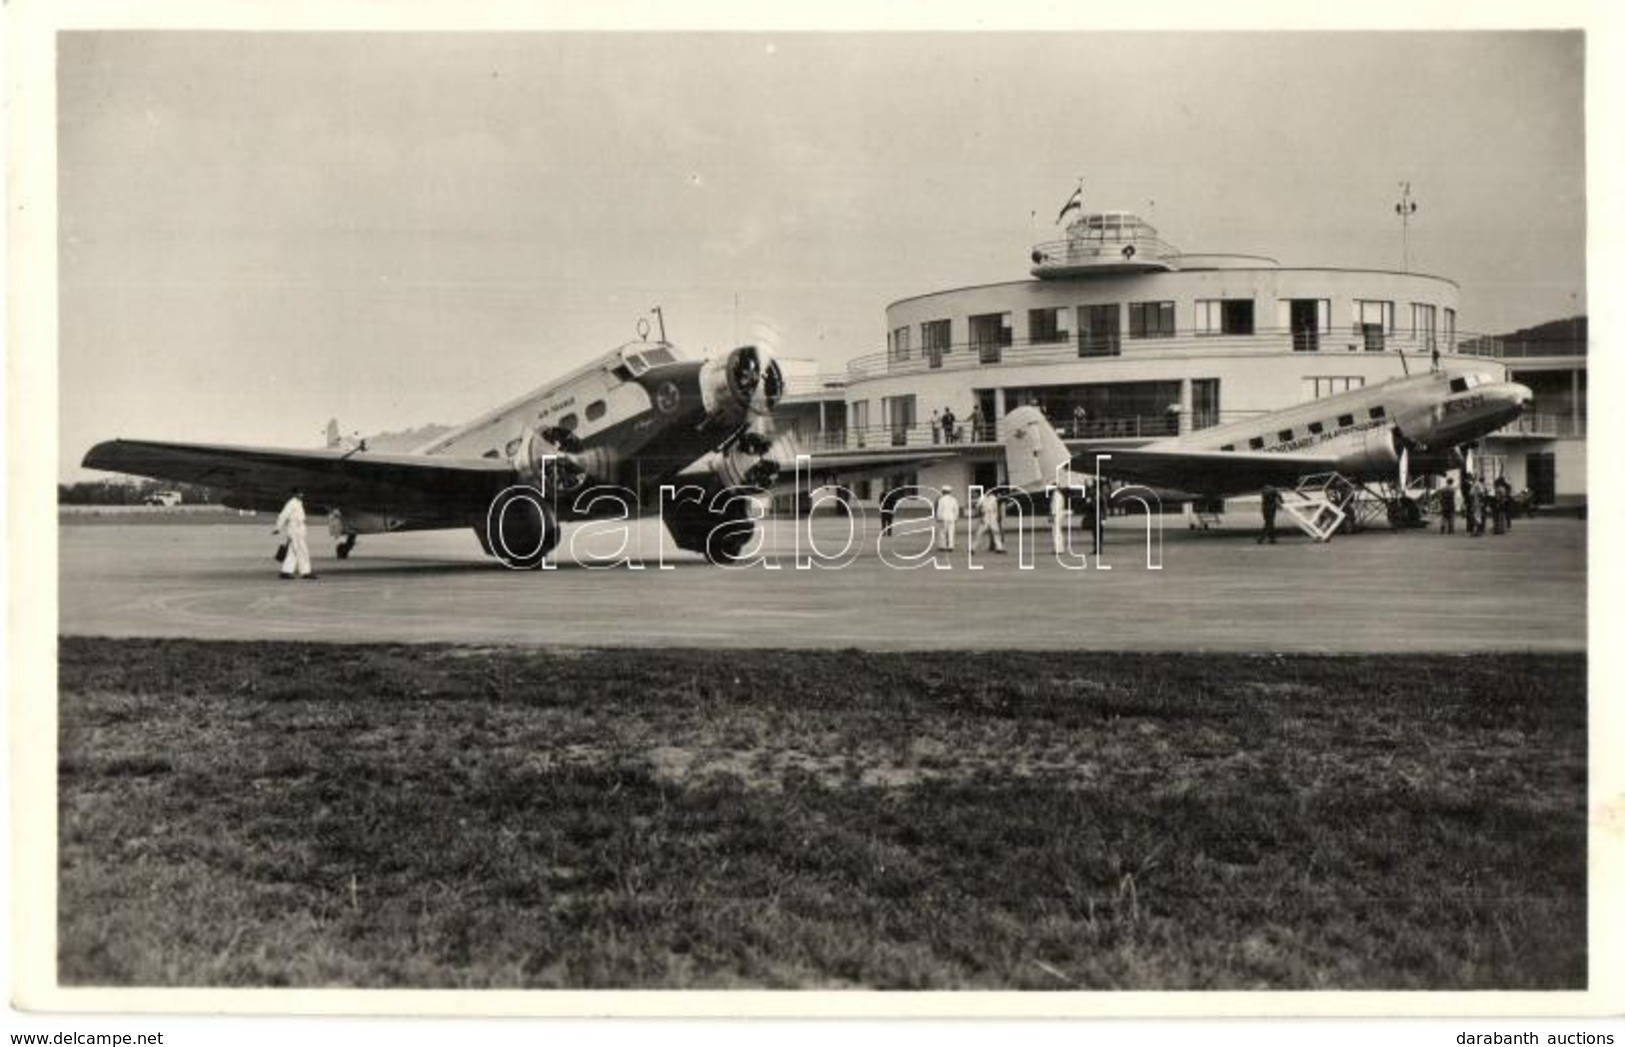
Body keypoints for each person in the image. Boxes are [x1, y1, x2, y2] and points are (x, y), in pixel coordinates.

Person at [274, 487, 317, 580]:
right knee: (302, 551)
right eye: (299, 493)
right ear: (294, 494)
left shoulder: (299, 503)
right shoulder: (291, 503)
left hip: (299, 528)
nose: (301, 494)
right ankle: (306, 572)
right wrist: (278, 528)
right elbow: (283, 515)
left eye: (302, 493)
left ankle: (286, 571)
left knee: (293, 552)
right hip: (295, 529)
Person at [973, 488, 1007, 553]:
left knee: (996, 532)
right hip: (985, 515)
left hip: (992, 516)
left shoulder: (993, 498)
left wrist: (996, 517)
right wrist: (980, 515)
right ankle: (972, 548)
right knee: (979, 533)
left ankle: (999, 548)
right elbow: (977, 507)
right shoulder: (982, 498)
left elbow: (995, 508)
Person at [934, 485, 961, 551]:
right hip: (951, 518)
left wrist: (938, 517)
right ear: (950, 492)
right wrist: (956, 517)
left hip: (943, 518)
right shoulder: (954, 499)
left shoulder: (941, 500)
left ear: (943, 491)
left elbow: (939, 509)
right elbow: (956, 509)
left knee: (942, 532)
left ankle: (943, 546)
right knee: (951, 532)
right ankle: (950, 546)